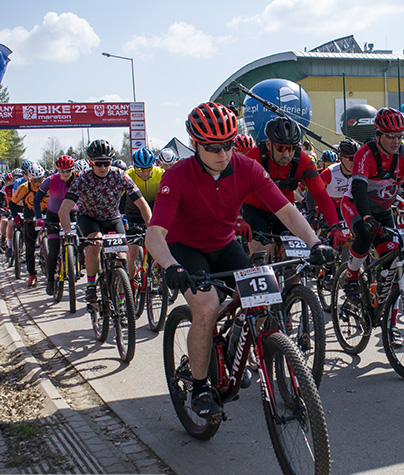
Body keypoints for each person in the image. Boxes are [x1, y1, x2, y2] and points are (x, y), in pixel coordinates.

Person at [145, 102, 334, 420]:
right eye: (212, 147)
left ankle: (236, 352)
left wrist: (315, 242)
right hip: (185, 248)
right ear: (194, 144)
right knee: (205, 306)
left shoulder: (247, 168)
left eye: (228, 145)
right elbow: (155, 234)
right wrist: (170, 266)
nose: (222, 154)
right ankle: (201, 386)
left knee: (262, 295)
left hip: (224, 245)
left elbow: (286, 210)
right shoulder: (176, 176)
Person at [341, 107, 404, 303]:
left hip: (383, 210)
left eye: (399, 136)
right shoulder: (365, 153)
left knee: (392, 265)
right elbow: (359, 189)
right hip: (356, 205)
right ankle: (351, 278)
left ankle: (389, 320)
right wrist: (366, 217)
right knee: (364, 232)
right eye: (390, 137)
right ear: (378, 135)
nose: (396, 141)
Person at [59, 139, 152, 303]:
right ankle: (90, 286)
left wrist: (152, 229)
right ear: (90, 162)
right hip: (89, 218)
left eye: (106, 163)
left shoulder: (120, 175)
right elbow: (64, 209)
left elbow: (142, 205)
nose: (102, 167)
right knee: (96, 243)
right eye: (98, 163)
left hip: (112, 218)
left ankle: (123, 300)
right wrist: (68, 232)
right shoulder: (82, 179)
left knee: (122, 257)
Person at [243, 117, 345, 252]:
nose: (286, 154)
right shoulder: (253, 157)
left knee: (296, 257)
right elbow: (233, 191)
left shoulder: (303, 161)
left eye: (291, 149)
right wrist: (238, 218)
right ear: (269, 145)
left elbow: (321, 196)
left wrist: (335, 226)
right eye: (280, 148)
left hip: (286, 210)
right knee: (261, 251)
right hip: (255, 209)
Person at [34, 155, 78, 295]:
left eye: (68, 171)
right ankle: (50, 280)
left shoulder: (77, 180)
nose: (65, 174)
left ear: (73, 170)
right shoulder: (50, 180)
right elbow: (37, 200)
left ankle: (76, 264)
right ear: (57, 170)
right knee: (53, 250)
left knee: (81, 241)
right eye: (62, 171)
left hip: (72, 214)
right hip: (53, 215)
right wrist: (38, 217)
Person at [123, 148, 165, 280]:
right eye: (141, 169)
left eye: (148, 169)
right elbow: (118, 199)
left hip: (154, 213)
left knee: (158, 246)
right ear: (134, 167)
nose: (145, 173)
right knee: (132, 251)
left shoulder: (160, 173)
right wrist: (120, 216)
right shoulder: (127, 175)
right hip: (132, 215)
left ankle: (158, 270)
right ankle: (130, 283)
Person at [11, 161, 47, 286]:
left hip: (47, 215)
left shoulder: (48, 184)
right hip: (30, 217)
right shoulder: (24, 187)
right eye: (34, 181)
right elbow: (13, 202)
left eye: (40, 180)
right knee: (30, 247)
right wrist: (16, 216)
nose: (37, 183)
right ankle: (32, 274)